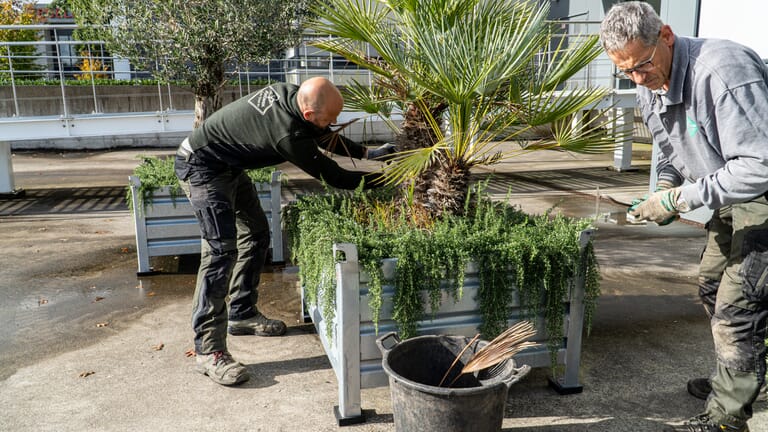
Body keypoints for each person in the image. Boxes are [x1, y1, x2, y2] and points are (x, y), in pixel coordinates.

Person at [600, 2, 768, 431]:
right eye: (627, 72)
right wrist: (662, 190)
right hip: (730, 194)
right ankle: (745, 375)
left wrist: (680, 201)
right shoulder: (648, 81)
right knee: (713, 285)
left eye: (642, 66)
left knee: (739, 305)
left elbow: (760, 165)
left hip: (761, 190)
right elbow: (672, 152)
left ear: (667, 37)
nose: (638, 79)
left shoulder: (722, 72)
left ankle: (726, 418)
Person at [174, 77, 396, 386]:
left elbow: (322, 135)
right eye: (329, 119)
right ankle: (208, 350)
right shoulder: (286, 134)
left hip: (227, 165)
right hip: (201, 167)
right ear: (308, 114)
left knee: (256, 234)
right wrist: (389, 180)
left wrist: (368, 154)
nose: (333, 124)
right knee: (221, 251)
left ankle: (242, 313)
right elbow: (333, 175)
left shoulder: (293, 95)